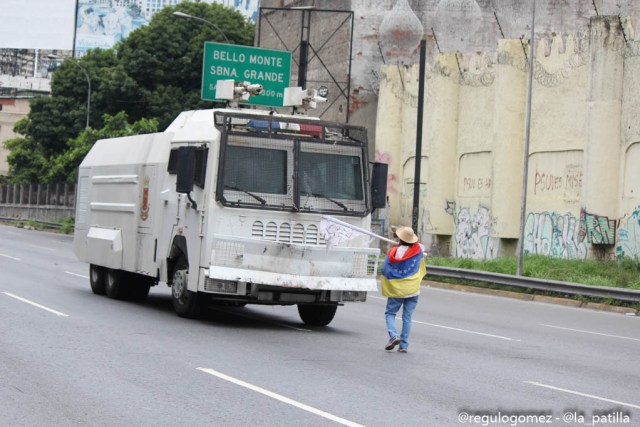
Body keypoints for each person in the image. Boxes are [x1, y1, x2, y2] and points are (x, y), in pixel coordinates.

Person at [381, 226, 426, 353]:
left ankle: (394, 336)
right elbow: (419, 245)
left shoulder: (393, 252)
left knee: (390, 313)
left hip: (397, 289)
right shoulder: (418, 250)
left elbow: (385, 269)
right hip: (413, 289)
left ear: (400, 239)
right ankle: (404, 346)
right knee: (407, 317)